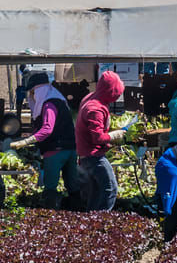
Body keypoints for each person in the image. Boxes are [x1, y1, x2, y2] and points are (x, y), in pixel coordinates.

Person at [10, 73, 78, 209]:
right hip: (71, 149)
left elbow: (47, 129)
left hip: (56, 151)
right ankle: (78, 212)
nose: (32, 96)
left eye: (33, 92)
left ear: (39, 91)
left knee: (50, 187)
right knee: (72, 186)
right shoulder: (59, 101)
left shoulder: (49, 104)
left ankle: (50, 213)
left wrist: (26, 141)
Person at [75, 71, 126, 211]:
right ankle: (102, 222)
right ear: (111, 91)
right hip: (93, 156)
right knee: (110, 189)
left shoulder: (91, 98)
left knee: (96, 192)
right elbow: (97, 137)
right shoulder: (95, 109)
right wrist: (114, 135)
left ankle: (92, 222)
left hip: (85, 154)